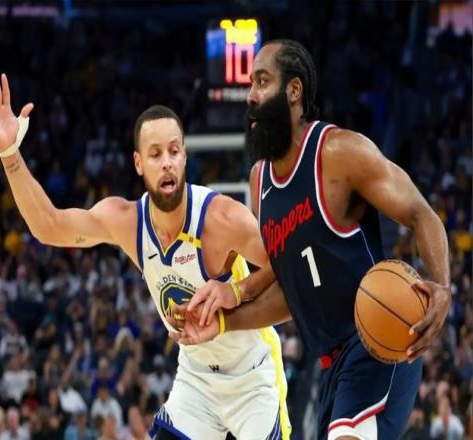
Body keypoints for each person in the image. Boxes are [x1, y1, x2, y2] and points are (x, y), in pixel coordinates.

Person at [0, 73, 290, 440]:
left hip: (251, 377)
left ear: (185, 157)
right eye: (156, 154)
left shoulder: (221, 218)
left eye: (174, 151)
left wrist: (236, 291)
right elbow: (49, 226)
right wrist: (10, 156)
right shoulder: (126, 222)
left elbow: (288, 266)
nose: (167, 162)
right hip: (197, 380)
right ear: (139, 163)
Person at [169, 39, 451, 440]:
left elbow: (420, 214)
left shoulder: (339, 153)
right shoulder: (260, 181)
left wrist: (441, 285)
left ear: (294, 90)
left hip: (378, 344)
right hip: (331, 368)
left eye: (262, 81)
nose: (250, 96)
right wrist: (224, 318)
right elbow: (291, 292)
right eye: (250, 84)